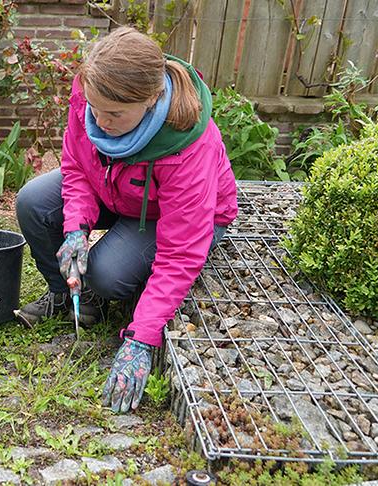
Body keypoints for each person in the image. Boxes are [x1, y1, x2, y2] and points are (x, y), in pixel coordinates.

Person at [15, 27, 238, 413]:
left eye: (114, 114)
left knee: (106, 273)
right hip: (120, 193)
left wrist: (141, 339)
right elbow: (78, 169)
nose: (99, 121)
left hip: (175, 217)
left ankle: (97, 290)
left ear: (151, 99)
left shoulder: (187, 147)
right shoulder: (91, 93)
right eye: (93, 108)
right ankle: (70, 298)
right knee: (33, 202)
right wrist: (74, 230)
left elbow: (181, 254)